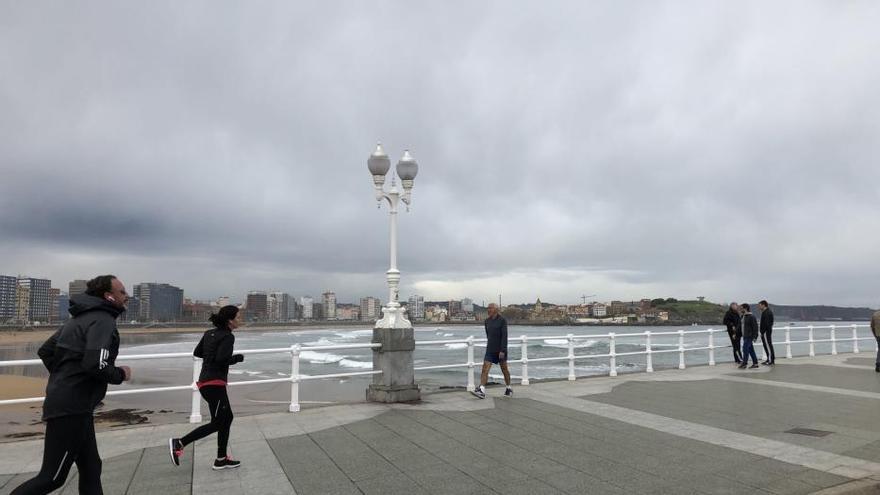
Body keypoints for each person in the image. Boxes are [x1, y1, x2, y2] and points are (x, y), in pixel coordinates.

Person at [12, 275, 132, 495]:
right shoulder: (103, 320)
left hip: (73, 403)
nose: (127, 296)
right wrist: (120, 374)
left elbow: (46, 351)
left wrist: (64, 379)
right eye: (123, 292)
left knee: (91, 467)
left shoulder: (78, 319)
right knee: (52, 477)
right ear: (109, 296)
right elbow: (96, 363)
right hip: (72, 407)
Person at [169, 305, 244, 470]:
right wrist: (236, 358)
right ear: (230, 320)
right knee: (218, 423)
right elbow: (221, 360)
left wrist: (212, 357)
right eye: (238, 317)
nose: (240, 320)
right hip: (214, 385)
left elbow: (198, 352)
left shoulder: (209, 333)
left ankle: (221, 459)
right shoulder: (227, 336)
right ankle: (180, 443)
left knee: (227, 418)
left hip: (206, 383)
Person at [471, 303, 512, 399]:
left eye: (490, 308)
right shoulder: (487, 321)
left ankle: (508, 388)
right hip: (490, 349)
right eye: (488, 308)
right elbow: (488, 335)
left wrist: (503, 350)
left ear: (496, 309)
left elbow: (504, 336)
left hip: (500, 350)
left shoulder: (502, 321)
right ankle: (482, 390)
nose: (488, 310)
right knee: (485, 369)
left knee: (504, 369)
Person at [738, 303, 760, 369]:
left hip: (749, 336)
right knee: (751, 350)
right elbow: (741, 326)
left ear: (745, 308)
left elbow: (755, 327)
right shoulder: (743, 316)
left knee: (745, 349)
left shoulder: (751, 316)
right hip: (745, 336)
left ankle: (744, 364)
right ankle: (755, 363)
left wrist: (755, 337)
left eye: (741, 308)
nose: (740, 309)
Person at [759, 300, 775, 365]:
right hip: (766, 332)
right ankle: (769, 359)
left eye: (760, 305)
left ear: (763, 305)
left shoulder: (767, 312)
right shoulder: (766, 312)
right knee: (766, 345)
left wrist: (763, 332)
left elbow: (767, 323)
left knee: (768, 345)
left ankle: (771, 360)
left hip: (766, 332)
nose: (759, 307)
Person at [872, 308, 880, 372]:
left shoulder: (875, 314)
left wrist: (875, 334)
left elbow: (872, 326)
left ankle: (878, 364)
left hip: (878, 335)